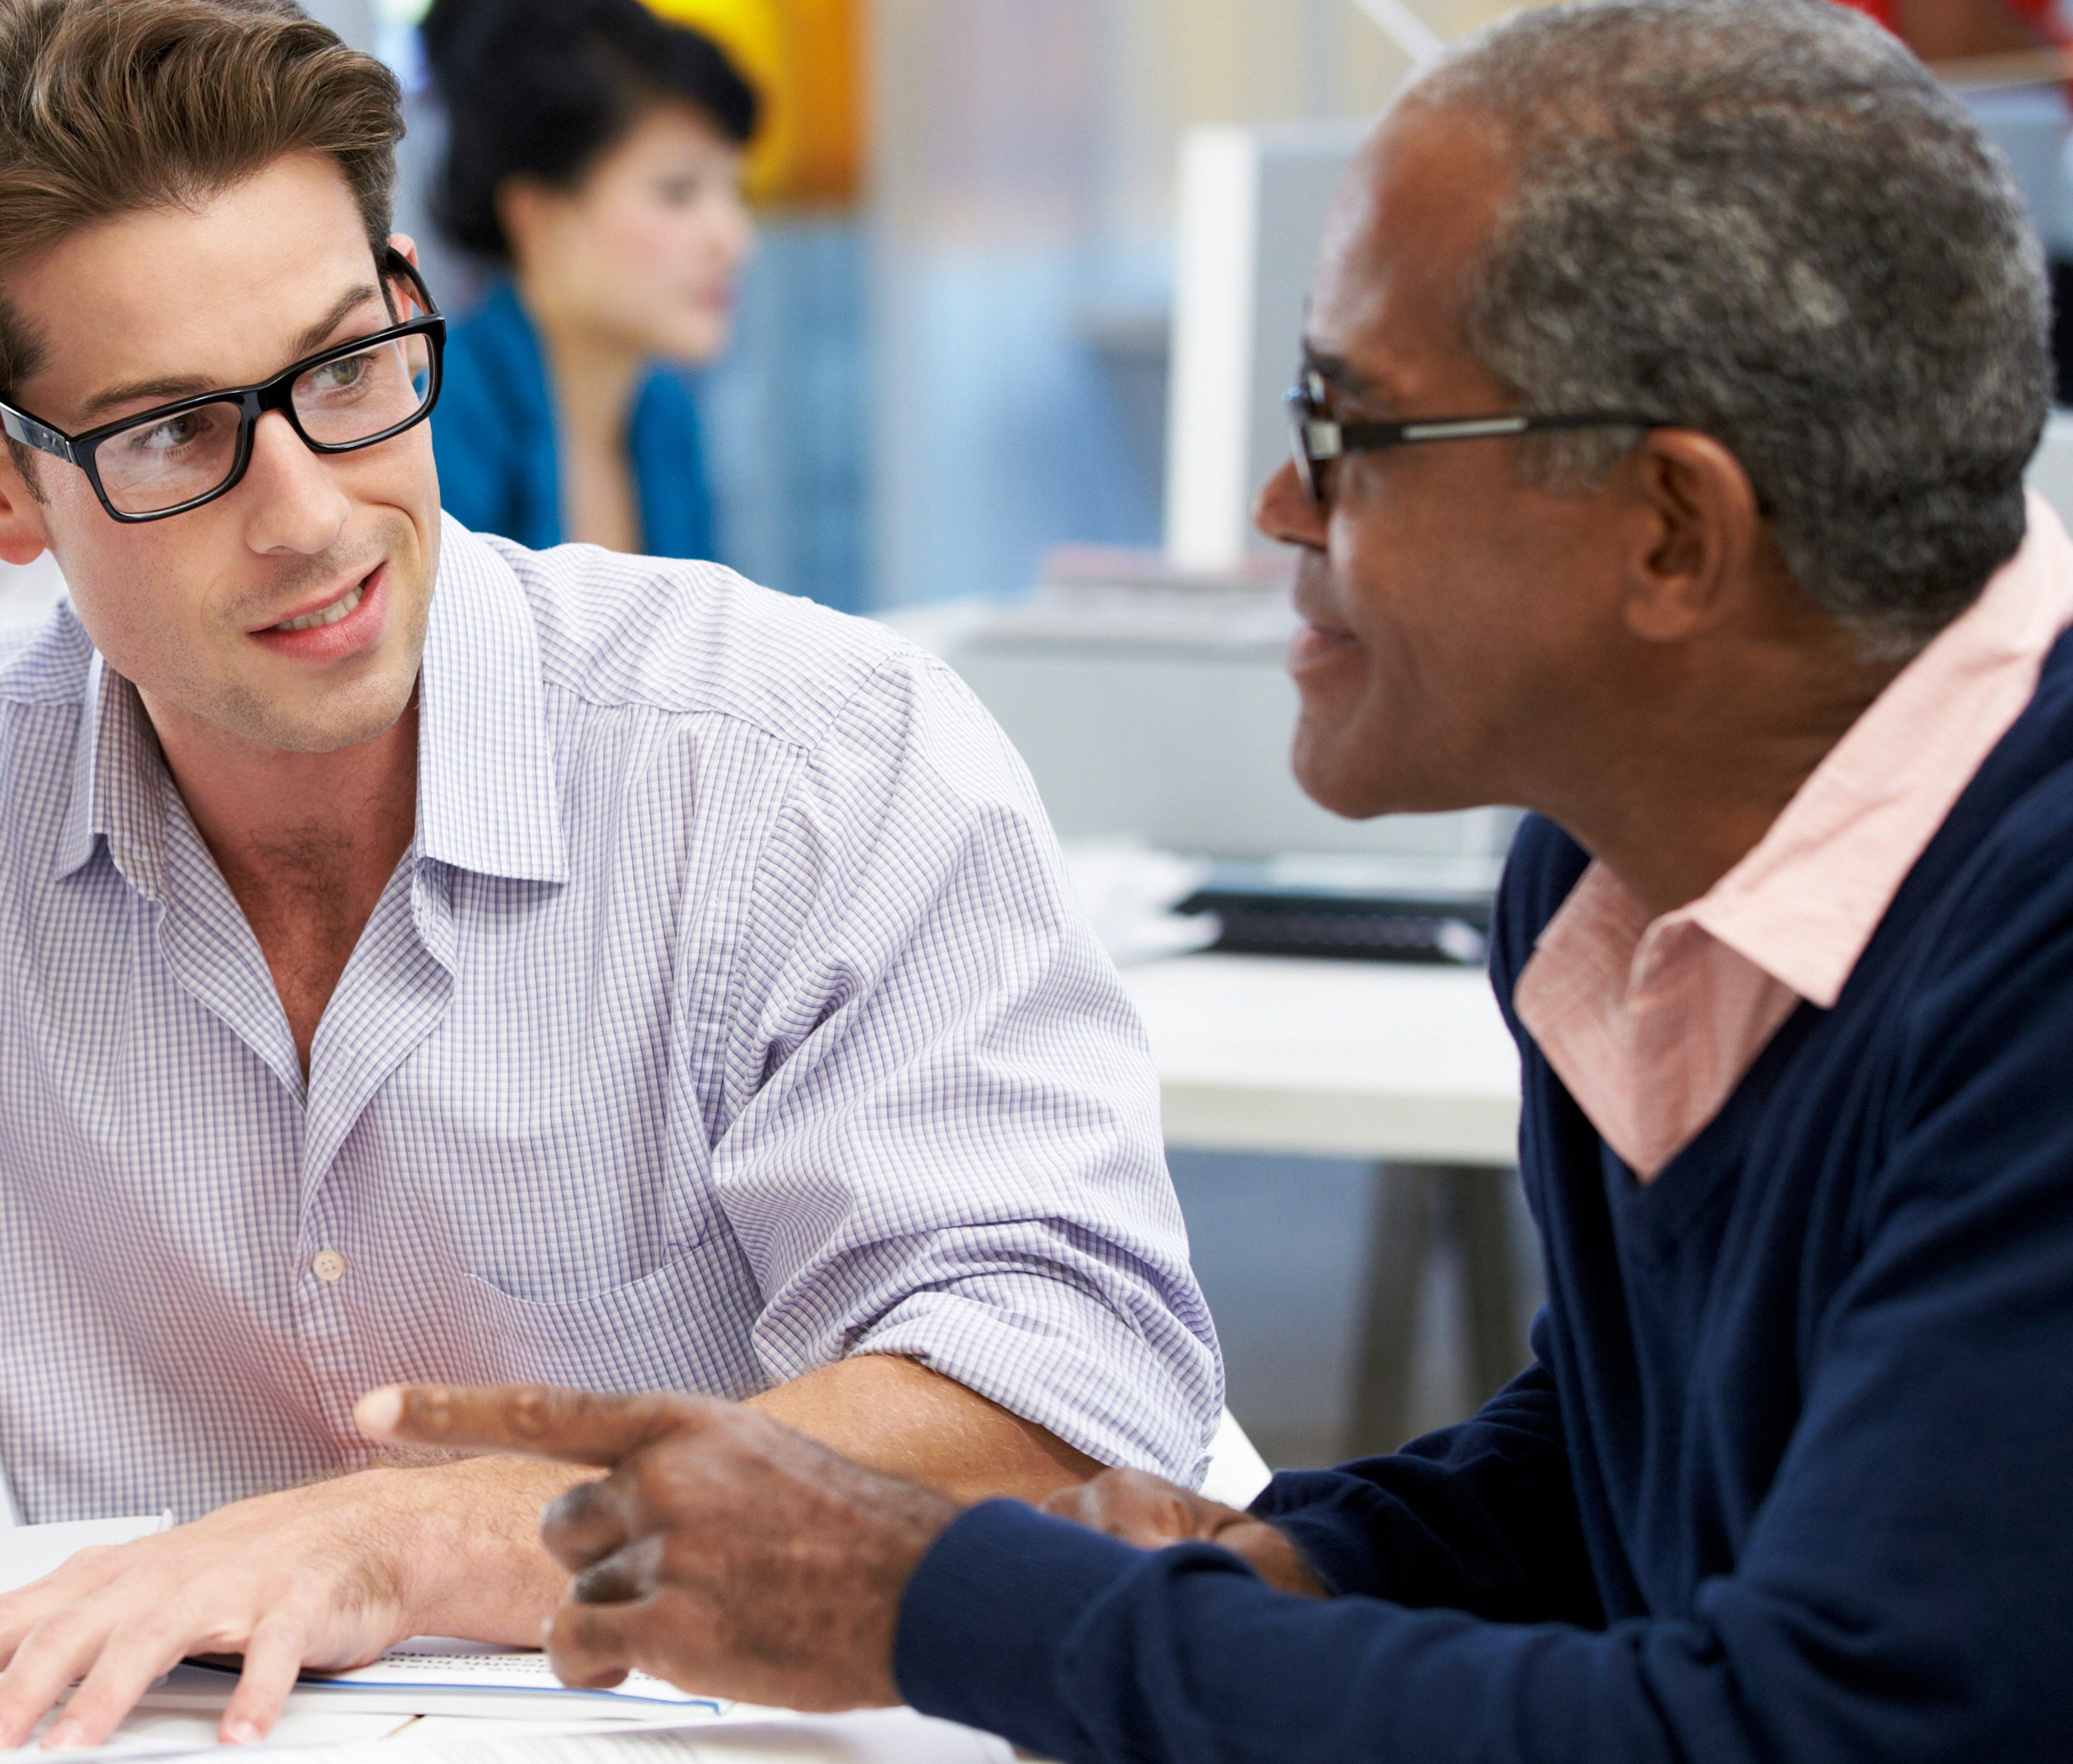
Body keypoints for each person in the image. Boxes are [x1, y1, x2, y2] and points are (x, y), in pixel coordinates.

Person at [0, 0, 1218, 1750]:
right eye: (174, 431)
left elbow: (1059, 1388)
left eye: (345, 368)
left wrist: (417, 1541)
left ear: (410, 304)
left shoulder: (809, 758)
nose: (313, 510)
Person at [366, 3, 2073, 1758]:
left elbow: (1828, 1727)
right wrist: (1289, 1570)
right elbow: (1623, 1463)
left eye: (1351, 428)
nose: (1277, 503)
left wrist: (944, 1603)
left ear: (1669, 531)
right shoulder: (1616, 867)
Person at [418, 0, 757, 559]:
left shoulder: (666, 414)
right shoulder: (439, 420)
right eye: (678, 192)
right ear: (540, 219)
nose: (733, 239)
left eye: (735, 192)